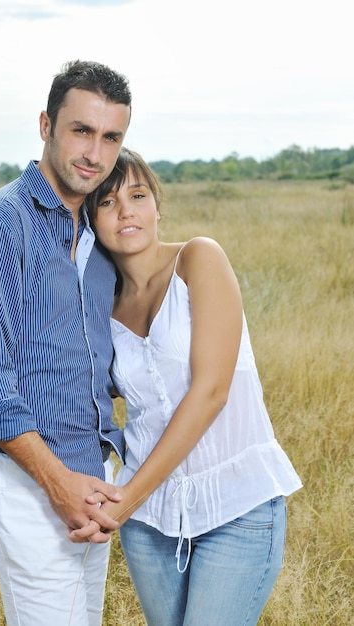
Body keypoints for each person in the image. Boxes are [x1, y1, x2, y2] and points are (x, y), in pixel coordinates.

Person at [73, 147, 303, 625]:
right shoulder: (101, 306)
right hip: (151, 524)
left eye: (137, 195)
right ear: (91, 219)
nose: (127, 211)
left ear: (157, 204)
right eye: (108, 202)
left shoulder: (199, 259)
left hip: (236, 508)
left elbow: (212, 392)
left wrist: (122, 501)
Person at [0, 60, 132, 626]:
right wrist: (58, 484)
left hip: (95, 481)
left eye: (111, 138)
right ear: (47, 125)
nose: (94, 154)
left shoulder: (99, 239)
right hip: (29, 483)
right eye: (81, 130)